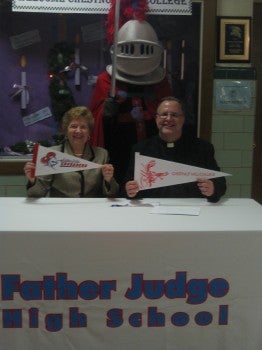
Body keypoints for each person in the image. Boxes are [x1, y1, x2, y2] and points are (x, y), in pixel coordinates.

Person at [89, 20, 172, 185]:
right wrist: (106, 113)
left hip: (152, 145)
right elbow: (95, 121)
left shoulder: (160, 81)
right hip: (119, 146)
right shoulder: (106, 80)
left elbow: (169, 115)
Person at [124, 96, 226, 202]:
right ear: (156, 118)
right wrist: (130, 189)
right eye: (164, 114)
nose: (168, 119)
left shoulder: (202, 148)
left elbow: (220, 184)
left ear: (183, 119)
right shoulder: (141, 149)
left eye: (174, 115)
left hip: (193, 209)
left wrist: (213, 188)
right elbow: (129, 186)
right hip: (152, 210)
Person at [24, 106, 119, 198]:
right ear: (66, 131)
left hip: (91, 210)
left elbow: (112, 194)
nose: (78, 131)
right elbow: (37, 194)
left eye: (83, 127)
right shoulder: (52, 154)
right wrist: (33, 180)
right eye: (74, 126)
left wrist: (108, 180)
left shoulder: (102, 154)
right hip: (62, 210)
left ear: (89, 132)